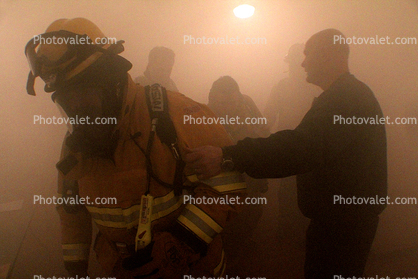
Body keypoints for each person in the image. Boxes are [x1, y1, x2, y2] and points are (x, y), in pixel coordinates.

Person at [25, 18, 246, 279]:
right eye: (67, 102)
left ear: (112, 83)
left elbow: (229, 184)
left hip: (194, 270)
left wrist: (182, 243)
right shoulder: (77, 144)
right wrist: (76, 270)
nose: (78, 112)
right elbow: (71, 210)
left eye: (85, 96)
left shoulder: (179, 112)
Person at [185, 28, 388, 278]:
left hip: (342, 224)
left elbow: (301, 146)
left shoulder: (345, 98)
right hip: (342, 220)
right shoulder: (346, 94)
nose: (302, 63)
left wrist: (228, 155)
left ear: (328, 55)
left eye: (308, 54)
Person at [207, 76, 269, 276]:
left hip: (249, 179)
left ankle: (237, 253)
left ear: (239, 98)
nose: (226, 107)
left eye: (231, 102)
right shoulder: (204, 115)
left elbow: (264, 132)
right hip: (219, 185)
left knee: (252, 212)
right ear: (212, 100)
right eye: (221, 103)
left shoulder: (248, 105)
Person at [264, 43, 321, 132]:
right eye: (292, 64)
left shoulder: (316, 89)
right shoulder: (281, 87)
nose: (292, 68)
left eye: (295, 65)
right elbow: (268, 120)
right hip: (289, 143)